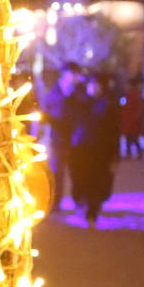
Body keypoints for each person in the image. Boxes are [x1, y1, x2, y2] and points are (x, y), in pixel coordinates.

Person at [68, 73, 120, 226]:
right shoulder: (79, 102)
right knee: (80, 178)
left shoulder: (108, 105)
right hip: (80, 148)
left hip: (100, 150)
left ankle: (92, 210)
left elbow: (114, 131)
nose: (94, 88)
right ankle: (82, 202)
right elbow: (70, 124)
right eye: (92, 85)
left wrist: (115, 153)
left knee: (97, 181)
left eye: (97, 85)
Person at [40, 61, 83, 210]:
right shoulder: (53, 93)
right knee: (56, 172)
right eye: (74, 73)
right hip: (57, 139)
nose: (77, 77)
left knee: (77, 170)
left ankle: (78, 200)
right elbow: (44, 115)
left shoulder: (79, 94)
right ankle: (55, 202)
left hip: (76, 139)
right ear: (65, 74)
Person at [119, 75, 144, 158]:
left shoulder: (132, 93)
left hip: (130, 117)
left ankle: (131, 152)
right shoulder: (134, 93)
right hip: (130, 117)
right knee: (131, 136)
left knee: (132, 136)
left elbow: (124, 104)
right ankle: (131, 152)